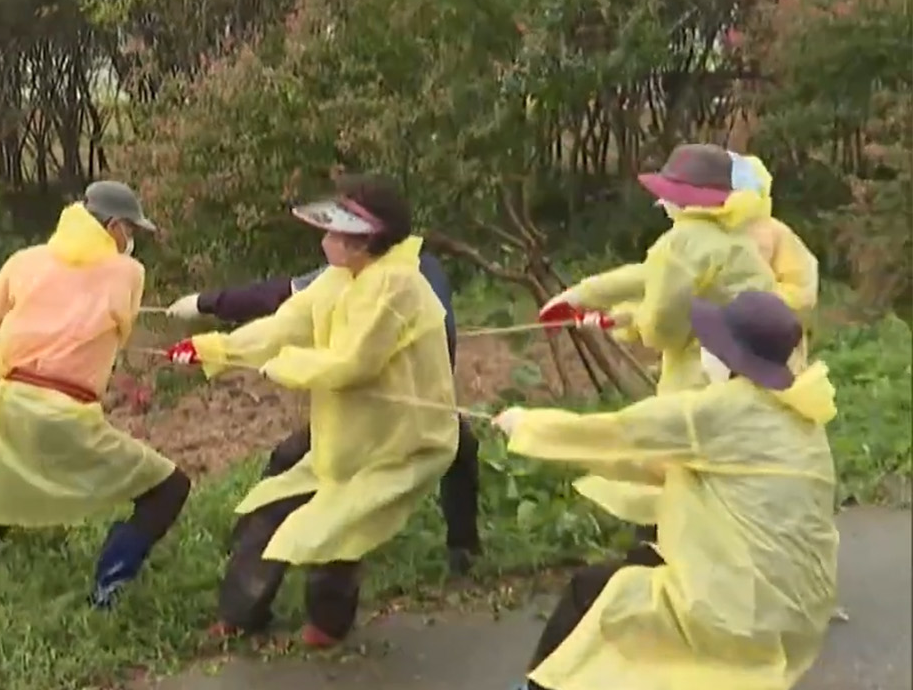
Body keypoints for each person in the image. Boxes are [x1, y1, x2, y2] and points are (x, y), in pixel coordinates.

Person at [494, 290, 840, 690]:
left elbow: (620, 435)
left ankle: (540, 688)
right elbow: (656, 464)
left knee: (595, 592)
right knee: (642, 559)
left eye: (713, 344)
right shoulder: (800, 415)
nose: (704, 351)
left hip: (740, 609)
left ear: (731, 358)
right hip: (799, 612)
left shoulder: (719, 412)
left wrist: (526, 426)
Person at [165, 174, 458, 643]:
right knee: (272, 504)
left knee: (336, 526)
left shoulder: (398, 286)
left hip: (398, 439)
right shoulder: (340, 280)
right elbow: (282, 327)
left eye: (334, 232)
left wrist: (278, 367)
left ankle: (328, 623)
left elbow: (351, 365)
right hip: (345, 432)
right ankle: (239, 615)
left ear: (362, 241)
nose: (324, 240)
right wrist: (211, 349)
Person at [0, 180, 193, 609]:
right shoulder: (128, 273)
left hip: (9, 406)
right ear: (113, 227)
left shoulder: (26, 262)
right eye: (129, 231)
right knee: (170, 488)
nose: (130, 241)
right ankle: (109, 587)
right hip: (68, 413)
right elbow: (123, 326)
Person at [164, 243, 483, 575]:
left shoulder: (394, 279)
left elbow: (283, 304)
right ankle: (253, 548)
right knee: (295, 464)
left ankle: (460, 550)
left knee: (321, 478)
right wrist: (208, 311)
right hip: (395, 407)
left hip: (397, 408)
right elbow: (282, 305)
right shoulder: (351, 273)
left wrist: (207, 307)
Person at [539, 143, 778, 396]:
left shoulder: (681, 245)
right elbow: (652, 275)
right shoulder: (735, 237)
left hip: (703, 384)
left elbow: (664, 328)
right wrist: (581, 296)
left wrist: (628, 320)